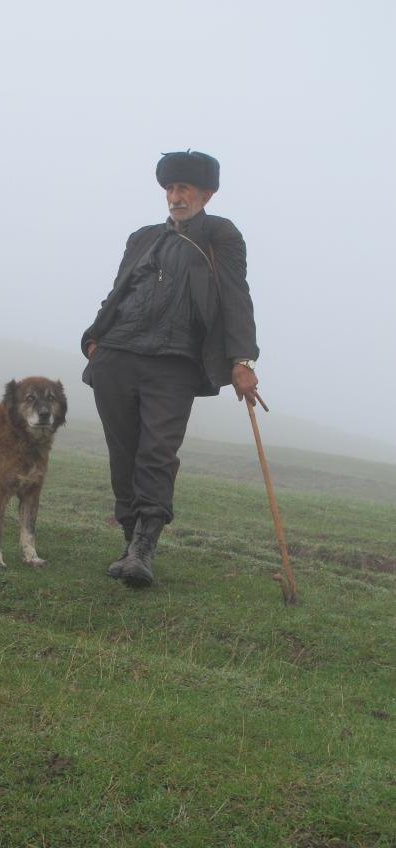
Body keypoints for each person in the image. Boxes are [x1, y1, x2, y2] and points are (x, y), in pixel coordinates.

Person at [81, 150, 259, 588]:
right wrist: (95, 336)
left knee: (157, 453)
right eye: (170, 188)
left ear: (207, 194)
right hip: (117, 355)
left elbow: (236, 294)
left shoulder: (220, 235)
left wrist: (242, 359)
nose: (176, 197)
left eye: (185, 189)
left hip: (175, 363)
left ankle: (144, 547)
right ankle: (128, 541)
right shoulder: (142, 238)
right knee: (122, 452)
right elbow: (120, 290)